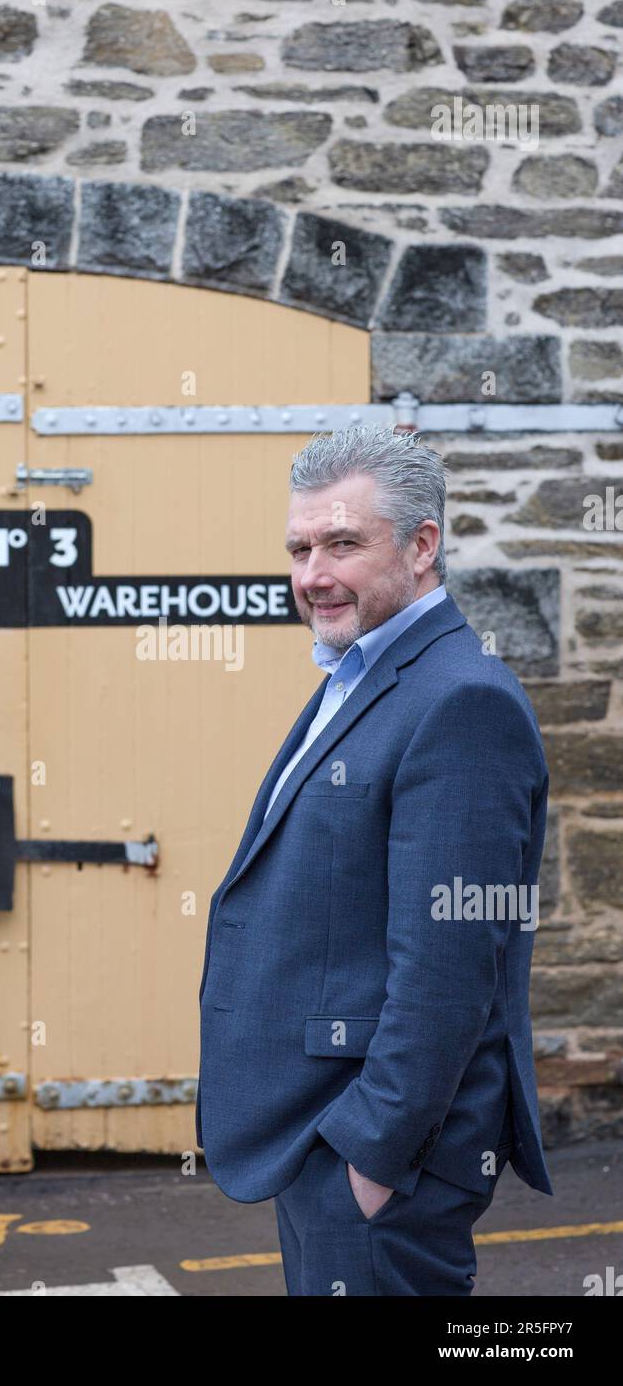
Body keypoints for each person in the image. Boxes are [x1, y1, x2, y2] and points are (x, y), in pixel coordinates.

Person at [195, 424, 553, 1296]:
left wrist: (370, 1160)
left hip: (378, 1155)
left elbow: (453, 961)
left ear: (422, 545)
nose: (313, 573)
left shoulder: (461, 700)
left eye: (344, 543)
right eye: (300, 547)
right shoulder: (360, 676)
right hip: (325, 1141)